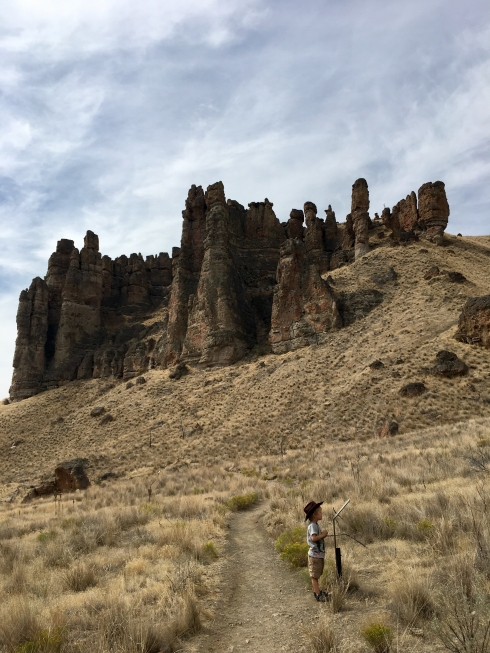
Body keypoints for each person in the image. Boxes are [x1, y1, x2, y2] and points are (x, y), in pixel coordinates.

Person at [304, 500, 329, 602]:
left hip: (318, 555)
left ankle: (318, 591)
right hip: (315, 555)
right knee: (314, 576)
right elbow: (314, 538)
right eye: (320, 512)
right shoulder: (313, 526)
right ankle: (318, 594)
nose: (321, 514)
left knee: (317, 574)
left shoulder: (315, 524)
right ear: (314, 515)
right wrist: (322, 535)